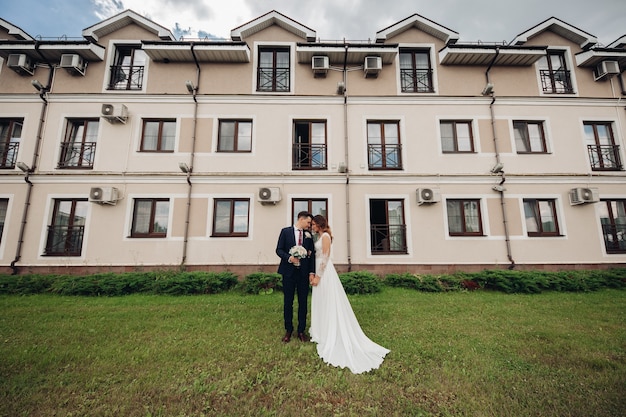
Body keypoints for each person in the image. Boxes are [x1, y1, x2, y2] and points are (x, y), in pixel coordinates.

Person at [309, 214, 390, 374]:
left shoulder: (325, 236)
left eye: (313, 224)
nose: (311, 226)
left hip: (324, 272)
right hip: (318, 269)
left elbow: (325, 256)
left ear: (319, 224)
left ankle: (329, 330)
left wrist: (318, 275)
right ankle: (321, 329)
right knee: (321, 301)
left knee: (328, 300)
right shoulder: (318, 236)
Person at [276, 211, 316, 343]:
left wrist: (311, 272)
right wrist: (289, 258)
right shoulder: (285, 232)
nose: (309, 225)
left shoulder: (309, 236)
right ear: (301, 219)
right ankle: (288, 330)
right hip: (288, 273)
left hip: (303, 274)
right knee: (288, 302)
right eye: (308, 222)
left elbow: (312, 256)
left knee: (303, 302)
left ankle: (301, 331)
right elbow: (279, 250)